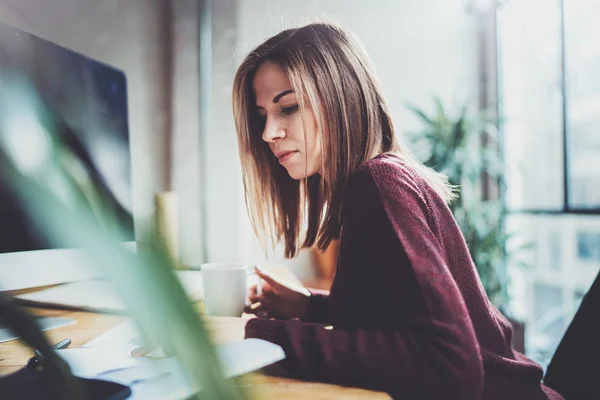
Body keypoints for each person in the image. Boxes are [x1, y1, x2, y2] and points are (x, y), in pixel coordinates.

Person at [232, 22, 563, 400]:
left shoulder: (379, 183)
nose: (268, 133)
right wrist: (311, 307)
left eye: (288, 108)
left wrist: (274, 338)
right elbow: (398, 316)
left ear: (341, 98)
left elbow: (449, 364)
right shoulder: (379, 179)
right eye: (262, 116)